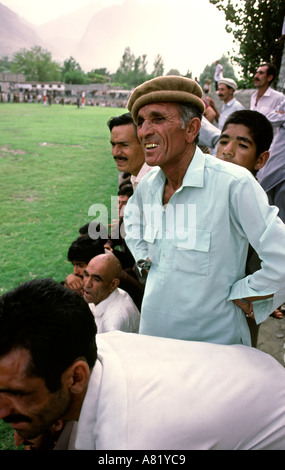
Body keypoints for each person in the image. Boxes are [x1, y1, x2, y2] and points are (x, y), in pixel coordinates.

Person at [2, 279, 285, 450]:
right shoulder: (98, 345)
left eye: (18, 393)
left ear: (76, 377)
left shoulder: (131, 441)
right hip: (257, 373)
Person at [123, 75, 285, 346]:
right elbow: (132, 221)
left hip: (214, 351)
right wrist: (143, 259)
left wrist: (245, 293)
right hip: (153, 341)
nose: (143, 131)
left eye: (158, 119)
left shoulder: (233, 184)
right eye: (140, 122)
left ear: (191, 129)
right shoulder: (149, 186)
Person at [215, 109, 283, 346]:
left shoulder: (254, 203)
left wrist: (243, 294)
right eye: (223, 141)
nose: (227, 151)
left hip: (234, 320)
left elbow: (275, 265)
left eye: (242, 145)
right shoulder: (211, 192)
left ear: (261, 160)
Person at [66, 232, 143, 310]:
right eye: (74, 265)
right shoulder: (108, 266)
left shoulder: (109, 281)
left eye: (80, 265)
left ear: (94, 261)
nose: (75, 271)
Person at [250, 62, 285, 223]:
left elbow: (277, 119)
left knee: (268, 194)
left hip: (272, 153)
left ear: (270, 77)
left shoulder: (278, 97)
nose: (257, 76)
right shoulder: (252, 97)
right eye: (257, 72)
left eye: (261, 73)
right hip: (253, 149)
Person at [83, 252, 140, 334]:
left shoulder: (113, 323)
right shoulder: (104, 294)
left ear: (113, 284)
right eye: (86, 275)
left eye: (96, 279)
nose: (87, 284)